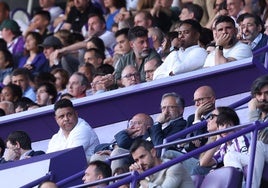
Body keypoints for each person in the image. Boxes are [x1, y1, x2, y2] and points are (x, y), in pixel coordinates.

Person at [129, 139, 194, 188]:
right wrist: (135, 181)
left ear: (153, 152)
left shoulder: (174, 167)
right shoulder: (145, 174)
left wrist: (141, 179)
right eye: (136, 160)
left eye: (142, 157)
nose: (140, 163)